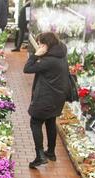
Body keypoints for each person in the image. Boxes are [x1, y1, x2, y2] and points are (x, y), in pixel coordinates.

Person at [23, 32, 70, 169]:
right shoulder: (60, 54)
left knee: (35, 122)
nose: (39, 46)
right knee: (50, 121)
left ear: (46, 44)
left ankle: (40, 156)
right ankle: (51, 152)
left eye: (40, 44)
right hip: (58, 97)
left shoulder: (49, 60)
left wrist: (36, 54)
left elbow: (27, 68)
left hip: (45, 98)